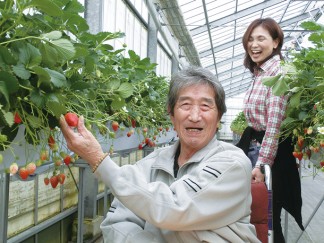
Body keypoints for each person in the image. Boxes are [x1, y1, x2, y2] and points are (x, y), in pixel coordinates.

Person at [60, 66, 260, 243]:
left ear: (219, 119)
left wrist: (99, 160)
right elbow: (115, 223)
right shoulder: (150, 164)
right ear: (171, 115)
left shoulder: (233, 163)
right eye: (185, 105)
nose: (195, 115)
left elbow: (175, 208)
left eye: (206, 106)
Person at [236, 18, 303, 242]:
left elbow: (274, 125)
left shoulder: (278, 73)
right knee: (260, 217)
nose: (253, 44)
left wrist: (262, 166)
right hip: (258, 148)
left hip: (270, 156)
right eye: (250, 39)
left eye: (261, 38)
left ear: (275, 42)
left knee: (267, 220)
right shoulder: (261, 72)